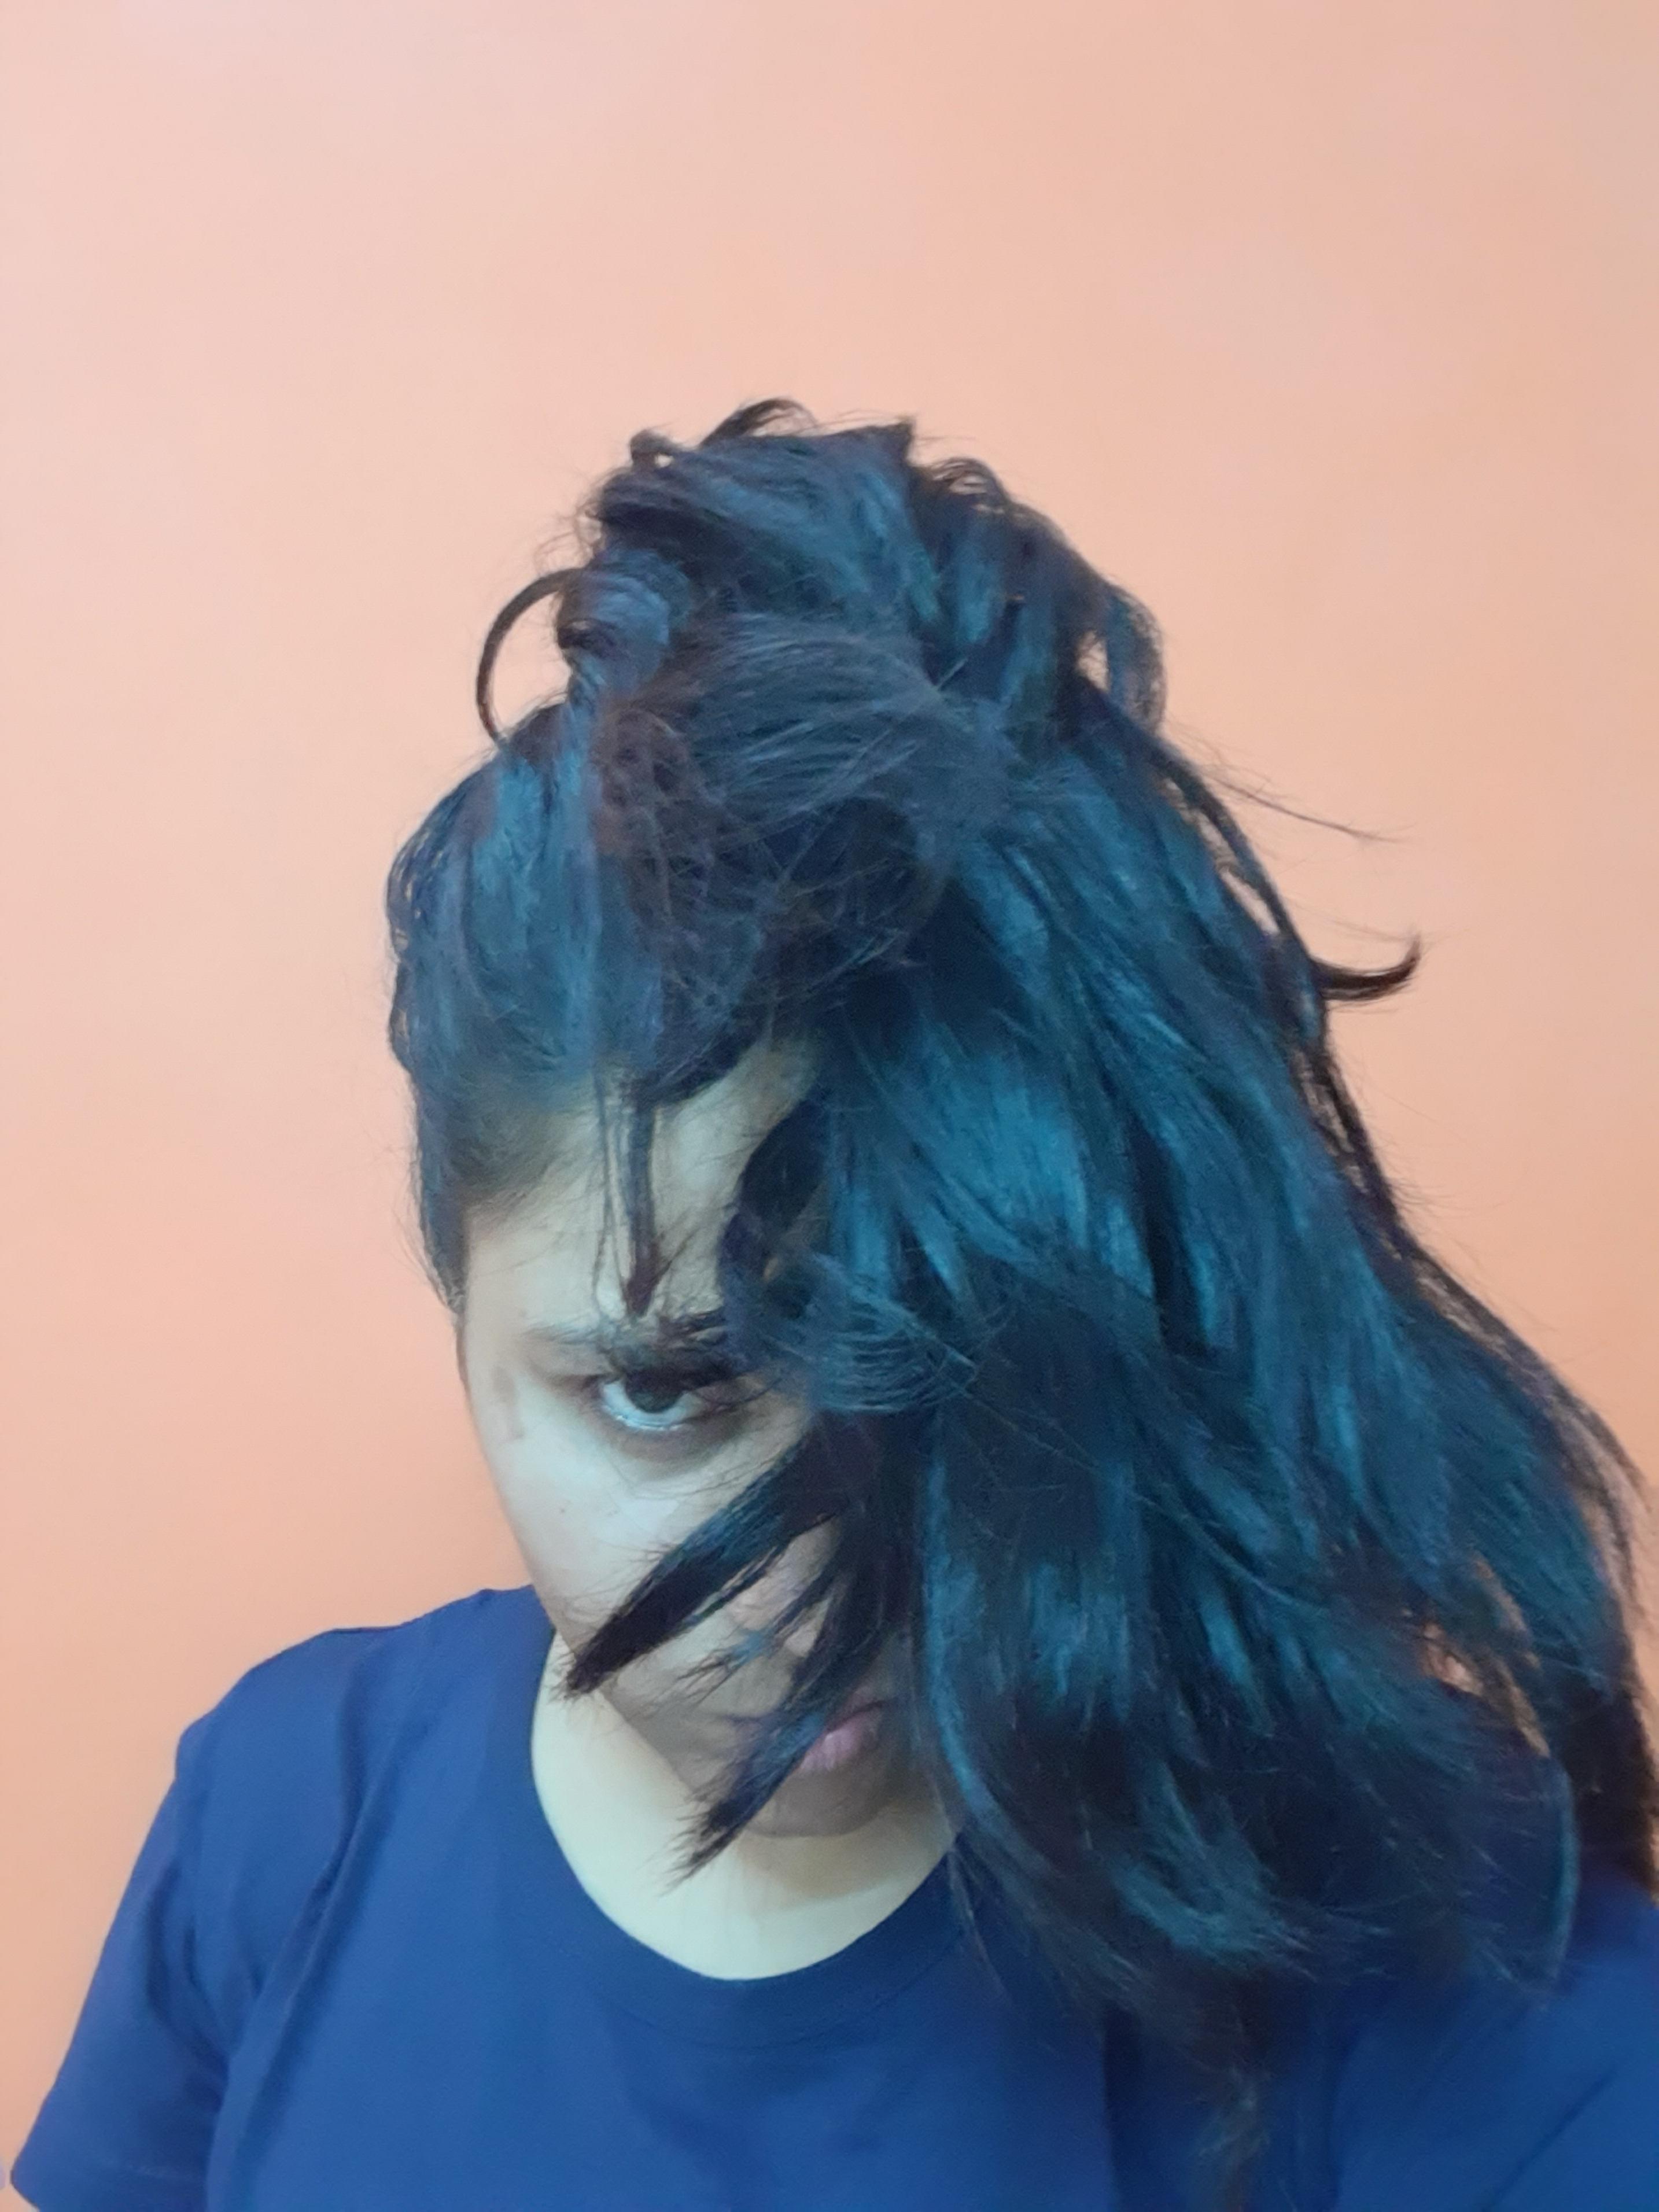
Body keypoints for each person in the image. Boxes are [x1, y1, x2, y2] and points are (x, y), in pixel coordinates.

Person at [13, 400, 1658, 2212]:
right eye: (662, 1395)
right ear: (460, 1289)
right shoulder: (285, 1815)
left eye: (954, 1398)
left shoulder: (1421, 1950)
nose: (807, 1605)